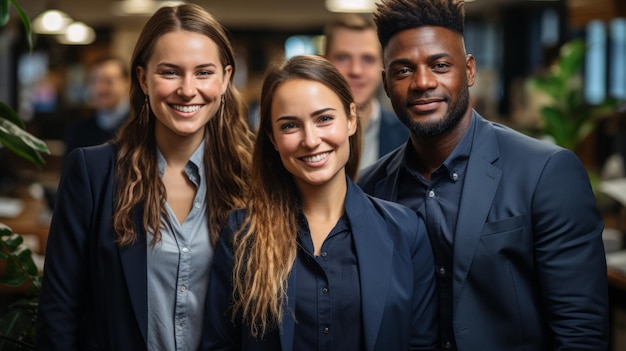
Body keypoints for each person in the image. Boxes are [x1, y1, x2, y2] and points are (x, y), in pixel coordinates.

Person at [358, 0, 609, 350]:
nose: (423, 82)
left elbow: (580, 332)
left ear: (470, 70)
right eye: (403, 71)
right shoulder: (368, 189)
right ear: (386, 84)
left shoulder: (546, 172)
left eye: (440, 65)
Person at [36, 4, 254, 351]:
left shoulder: (254, 178)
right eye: (169, 72)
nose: (187, 89)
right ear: (142, 79)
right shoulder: (93, 173)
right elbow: (59, 314)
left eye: (203, 72)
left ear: (225, 78)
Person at [201, 54, 439, 351]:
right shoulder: (241, 235)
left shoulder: (406, 232)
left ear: (351, 119)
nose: (311, 140)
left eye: (324, 118)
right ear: (273, 139)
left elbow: (422, 345)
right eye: (289, 126)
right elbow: (219, 345)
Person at [323, 14, 407, 170]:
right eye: (343, 58)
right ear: (325, 63)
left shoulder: (408, 138)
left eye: (368, 59)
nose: (356, 70)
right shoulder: (306, 137)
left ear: (383, 66)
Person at [64, 56, 130, 155]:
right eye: (94, 81)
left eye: (109, 81)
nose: (100, 89)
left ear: (127, 82)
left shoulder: (141, 126)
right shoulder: (79, 130)